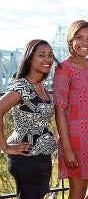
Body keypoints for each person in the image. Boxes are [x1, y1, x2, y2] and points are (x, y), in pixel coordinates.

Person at [0, 39, 58, 198]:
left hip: (40, 159)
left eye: (50, 55)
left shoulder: (41, 85)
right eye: (41, 55)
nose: (48, 59)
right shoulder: (22, 87)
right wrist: (5, 147)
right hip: (27, 160)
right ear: (30, 59)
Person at [53, 20, 88, 199]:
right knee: (78, 192)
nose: (85, 42)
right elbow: (59, 111)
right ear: (70, 40)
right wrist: (67, 149)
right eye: (79, 37)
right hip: (75, 139)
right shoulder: (63, 69)